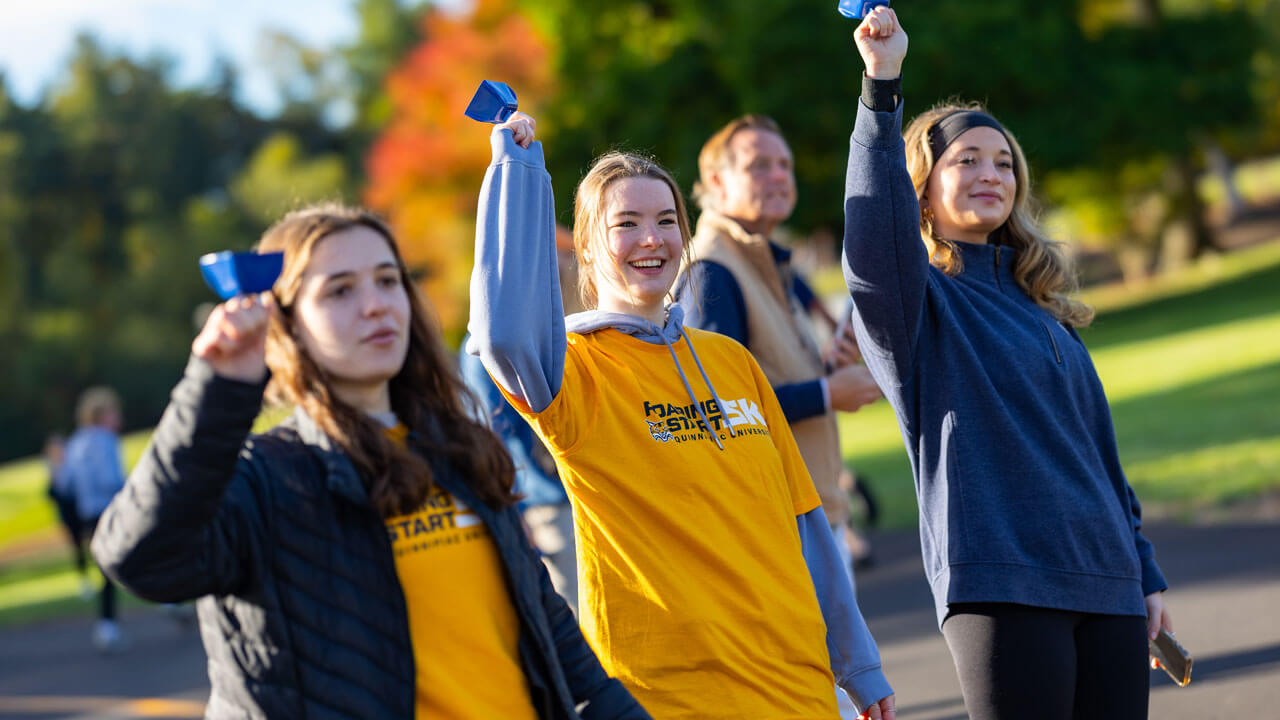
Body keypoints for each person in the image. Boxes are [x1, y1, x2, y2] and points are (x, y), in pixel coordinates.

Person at [91, 203, 649, 720]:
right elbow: (141, 559)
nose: (376, 303)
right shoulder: (265, 478)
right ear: (285, 322)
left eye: (387, 280)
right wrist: (216, 389)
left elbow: (550, 633)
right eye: (339, 291)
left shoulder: (459, 448)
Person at [468, 113, 895, 719]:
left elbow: (805, 525)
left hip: (797, 684)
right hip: (669, 694)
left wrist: (857, 663)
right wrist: (518, 172)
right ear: (587, 247)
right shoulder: (573, 373)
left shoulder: (731, 361)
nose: (653, 239)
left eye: (667, 221)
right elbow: (504, 334)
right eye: (628, 223)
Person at [842, 8, 1172, 719]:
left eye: (1004, 162)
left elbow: (1099, 458)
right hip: (1002, 585)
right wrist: (881, 87)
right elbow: (873, 235)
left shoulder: (1043, 309)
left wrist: (1144, 573)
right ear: (922, 185)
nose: (992, 173)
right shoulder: (915, 307)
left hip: (1108, 583)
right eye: (966, 160)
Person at [674, 114, 883, 582]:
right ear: (715, 180)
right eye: (759, 165)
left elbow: (766, 376)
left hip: (809, 511)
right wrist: (828, 394)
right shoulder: (711, 270)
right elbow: (717, 408)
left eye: (785, 166)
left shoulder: (761, 256)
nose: (778, 177)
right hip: (780, 521)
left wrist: (829, 369)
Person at [458, 341, 579, 612]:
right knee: (576, 614)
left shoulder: (543, 333)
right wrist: (512, 509)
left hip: (571, 495)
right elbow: (491, 436)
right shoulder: (484, 347)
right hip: (546, 504)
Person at [62, 386, 128, 652]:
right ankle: (171, 603)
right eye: (113, 413)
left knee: (107, 568)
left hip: (88, 514)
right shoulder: (105, 440)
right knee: (140, 554)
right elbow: (110, 479)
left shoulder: (75, 442)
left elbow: (66, 484)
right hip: (112, 509)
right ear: (102, 414)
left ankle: (107, 625)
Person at [44, 432, 95, 600]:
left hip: (81, 511)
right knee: (78, 548)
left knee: (93, 543)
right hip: (68, 515)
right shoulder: (52, 469)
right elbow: (51, 494)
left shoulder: (73, 465)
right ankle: (85, 579)